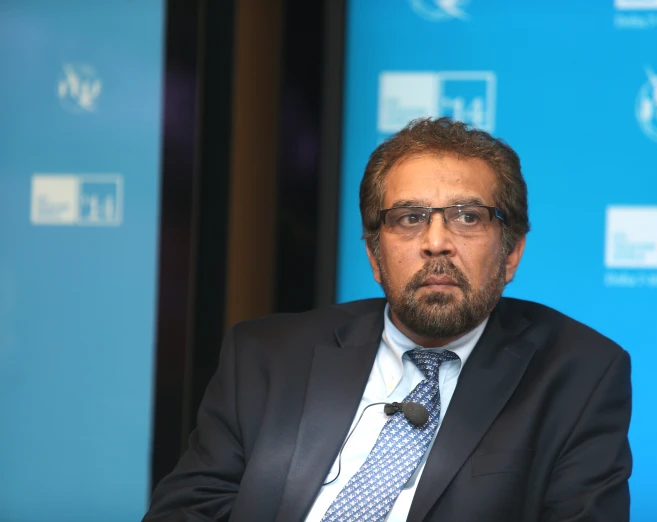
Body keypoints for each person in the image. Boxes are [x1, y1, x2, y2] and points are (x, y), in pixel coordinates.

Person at [143, 117, 632, 522]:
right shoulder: (265, 356)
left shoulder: (578, 373)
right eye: (408, 217)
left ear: (511, 253)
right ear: (375, 256)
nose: (436, 241)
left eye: (467, 217)